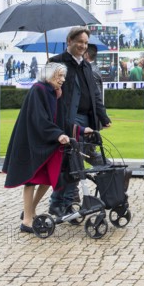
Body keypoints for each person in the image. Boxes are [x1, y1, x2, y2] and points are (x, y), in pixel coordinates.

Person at [3, 63, 93, 232]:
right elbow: (39, 119)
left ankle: (29, 210)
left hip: (45, 143)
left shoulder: (55, 93)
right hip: (31, 142)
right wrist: (57, 135)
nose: (63, 80)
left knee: (47, 179)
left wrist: (81, 130)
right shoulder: (38, 90)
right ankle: (27, 221)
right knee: (30, 181)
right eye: (59, 76)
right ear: (49, 76)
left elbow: (62, 121)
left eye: (63, 76)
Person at [48, 27, 112, 218]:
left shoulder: (86, 66)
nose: (83, 46)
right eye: (80, 42)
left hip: (86, 118)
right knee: (70, 160)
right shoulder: (57, 62)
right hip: (66, 119)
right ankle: (62, 203)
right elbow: (45, 90)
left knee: (74, 161)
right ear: (69, 41)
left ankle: (65, 203)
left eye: (85, 43)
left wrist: (103, 117)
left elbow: (94, 95)